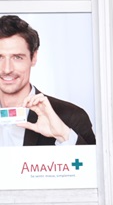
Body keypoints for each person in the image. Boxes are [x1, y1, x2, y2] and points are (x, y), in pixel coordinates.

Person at [0, 15, 95, 146]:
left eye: (17, 57)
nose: (7, 69)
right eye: (0, 57)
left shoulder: (72, 116)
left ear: (33, 58)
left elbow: (94, 166)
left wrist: (63, 134)